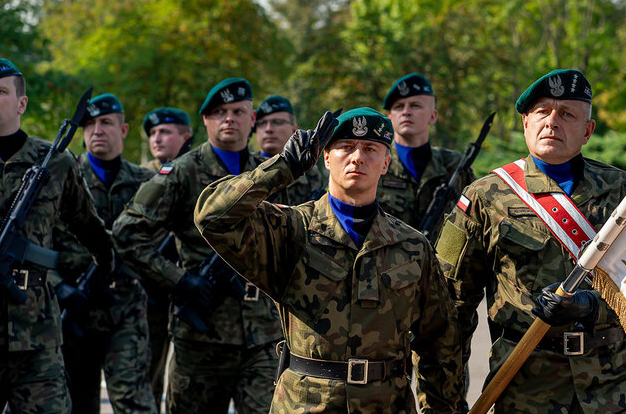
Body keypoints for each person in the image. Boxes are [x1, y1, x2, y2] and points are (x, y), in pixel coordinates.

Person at [195, 108, 465, 412]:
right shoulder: (292, 229)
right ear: (325, 157)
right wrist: (283, 167)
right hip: (306, 404)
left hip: (387, 404)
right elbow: (212, 217)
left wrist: (442, 409)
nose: (357, 157)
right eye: (345, 147)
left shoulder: (413, 246)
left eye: (370, 149)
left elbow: (440, 342)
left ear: (386, 163)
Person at [435, 69, 626, 412]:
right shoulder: (485, 197)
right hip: (526, 386)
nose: (552, 123)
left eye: (568, 114)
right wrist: (445, 403)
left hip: (612, 388)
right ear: (526, 123)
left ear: (587, 131)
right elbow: (449, 310)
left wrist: (593, 307)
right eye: (543, 112)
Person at [113, 78, 282, 414]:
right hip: (202, 336)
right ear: (205, 121)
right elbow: (127, 233)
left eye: (238, 111)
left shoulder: (267, 173)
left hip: (263, 335)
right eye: (219, 112)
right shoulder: (181, 173)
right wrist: (179, 279)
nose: (229, 119)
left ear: (253, 120)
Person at [0, 59, 117, 412]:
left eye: (0, 91)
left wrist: (107, 266)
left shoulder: (55, 162)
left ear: (21, 104)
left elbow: (88, 225)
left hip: (36, 334)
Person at [53, 93, 158, 413]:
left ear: (123, 129)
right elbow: (38, 241)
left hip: (126, 309)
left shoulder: (147, 182)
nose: (97, 130)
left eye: (106, 123)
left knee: (134, 401)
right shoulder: (61, 179)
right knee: (77, 402)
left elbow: (163, 243)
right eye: (89, 124)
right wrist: (59, 286)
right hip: (74, 309)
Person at [139, 106, 192, 412]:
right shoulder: (141, 176)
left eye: (165, 132)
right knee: (149, 375)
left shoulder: (199, 172)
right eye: (153, 133)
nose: (157, 138)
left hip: (192, 291)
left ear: (185, 136)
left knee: (185, 382)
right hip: (152, 293)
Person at [377, 73, 474, 235]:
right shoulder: (374, 162)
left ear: (433, 116)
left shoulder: (455, 166)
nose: (406, 112)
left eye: (415, 106)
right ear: (389, 117)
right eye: (399, 107)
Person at [255, 95, 326, 204]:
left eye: (277, 122)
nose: (268, 129)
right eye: (262, 123)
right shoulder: (245, 167)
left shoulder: (310, 174)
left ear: (294, 129)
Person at [141, 107, 192, 172]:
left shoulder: (200, 170)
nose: (156, 140)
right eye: (153, 133)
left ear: (186, 138)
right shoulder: (138, 175)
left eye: (164, 132)